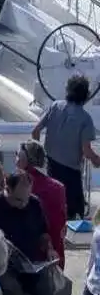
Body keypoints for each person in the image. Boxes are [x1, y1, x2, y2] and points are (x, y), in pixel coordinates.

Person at [32, 72, 97, 221]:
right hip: (70, 177)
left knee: (49, 212)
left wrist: (39, 157)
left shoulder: (55, 106)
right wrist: (97, 160)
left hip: (49, 169)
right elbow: (87, 152)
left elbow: (35, 131)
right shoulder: (85, 119)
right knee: (72, 217)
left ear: (68, 90)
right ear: (85, 95)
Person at [16, 142, 68, 271]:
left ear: (24, 159)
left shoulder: (18, 188)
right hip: (56, 258)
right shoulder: (59, 187)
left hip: (29, 260)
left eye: (17, 155)